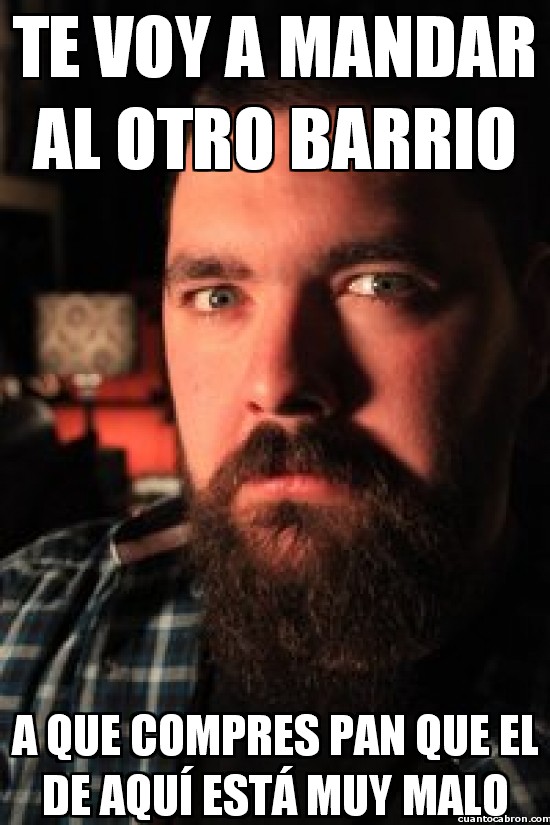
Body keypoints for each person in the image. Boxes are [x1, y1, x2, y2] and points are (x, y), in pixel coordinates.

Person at [1, 71, 550, 822]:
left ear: (533, 328)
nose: (278, 382)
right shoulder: (22, 636)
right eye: (218, 296)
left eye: (380, 284)